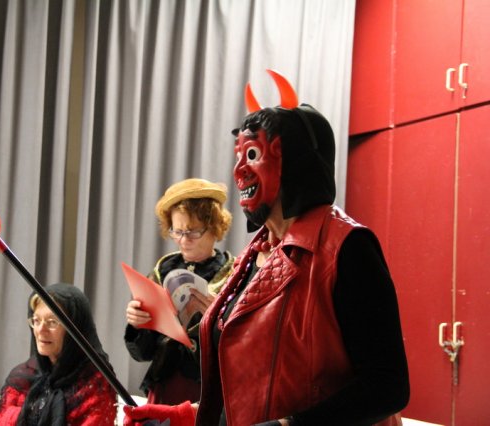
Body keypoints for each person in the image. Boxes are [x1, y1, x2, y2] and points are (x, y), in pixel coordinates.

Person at [124, 71, 410, 425]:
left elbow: (387, 387)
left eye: (253, 154)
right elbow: (254, 390)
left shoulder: (348, 248)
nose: (239, 170)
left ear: (294, 161)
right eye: (239, 156)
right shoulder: (253, 257)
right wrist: (186, 417)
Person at [124, 178, 235, 405]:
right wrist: (137, 324)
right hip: (163, 386)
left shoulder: (232, 273)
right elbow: (143, 354)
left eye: (192, 232)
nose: (183, 240)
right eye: (177, 231)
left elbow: (241, 348)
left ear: (214, 227)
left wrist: (219, 320)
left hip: (208, 391)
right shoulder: (163, 269)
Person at [0, 283, 116, 426]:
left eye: (52, 322)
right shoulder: (24, 375)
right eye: (36, 320)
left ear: (75, 328)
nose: (41, 330)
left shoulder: (96, 382)